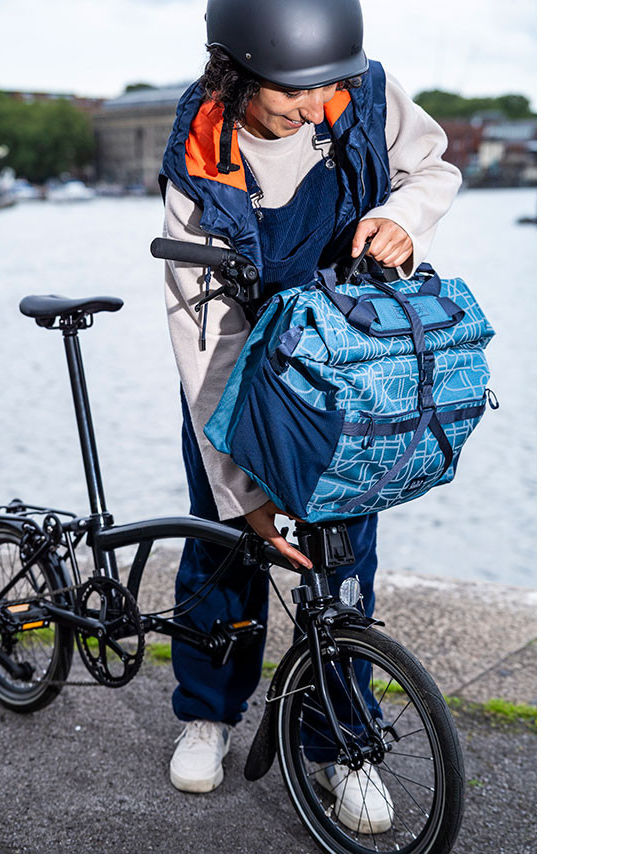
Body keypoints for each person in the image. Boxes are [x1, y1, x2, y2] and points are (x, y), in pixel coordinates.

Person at [157, 0, 461, 830]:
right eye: (293, 92)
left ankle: (339, 746)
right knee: (225, 549)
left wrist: (400, 217)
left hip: (343, 359)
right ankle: (208, 715)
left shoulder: (360, 90)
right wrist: (244, 493)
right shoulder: (199, 158)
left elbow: (434, 166)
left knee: (342, 555)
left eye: (328, 84)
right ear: (236, 75)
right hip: (239, 358)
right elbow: (204, 337)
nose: (315, 103)